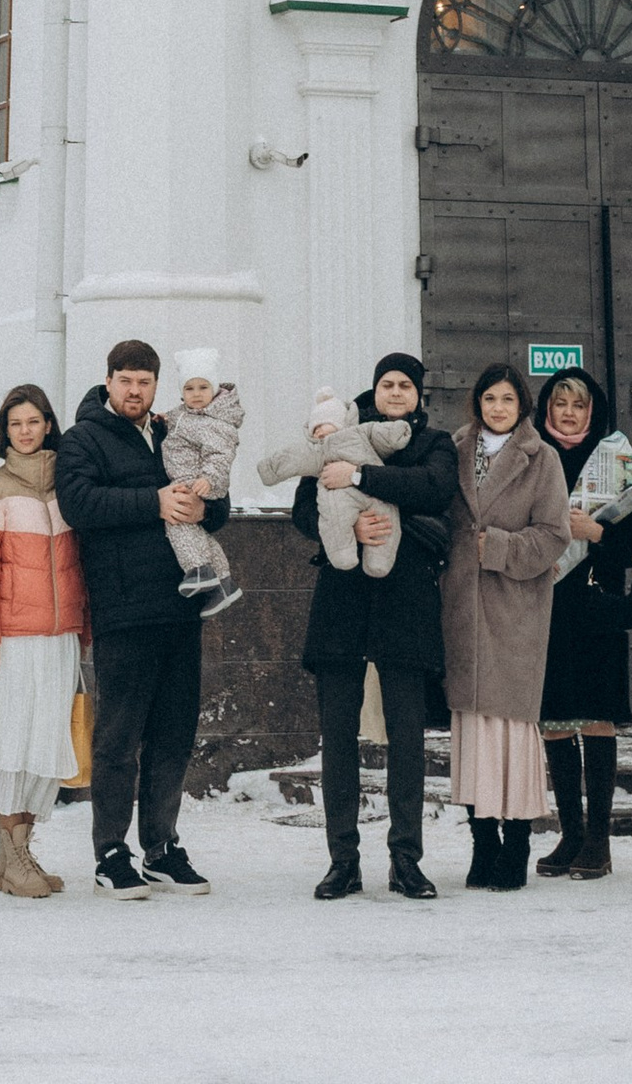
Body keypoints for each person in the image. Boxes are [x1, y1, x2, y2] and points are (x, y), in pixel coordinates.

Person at [56, 338, 226, 897]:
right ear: (108, 381)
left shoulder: (175, 432)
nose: (134, 390)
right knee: (118, 738)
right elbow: (80, 503)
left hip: (181, 605)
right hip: (124, 609)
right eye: (125, 380)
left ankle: (161, 846)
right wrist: (153, 501)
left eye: (144, 381)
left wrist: (205, 506)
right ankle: (110, 851)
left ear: (157, 385)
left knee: (174, 733)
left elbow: (216, 500)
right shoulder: (82, 439)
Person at [293, 347, 457, 902]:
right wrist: (347, 527)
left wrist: (362, 477)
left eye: (404, 387)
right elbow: (302, 508)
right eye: (386, 384)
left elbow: (434, 490)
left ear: (417, 396)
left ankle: (405, 859)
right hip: (342, 602)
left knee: (406, 739)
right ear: (373, 389)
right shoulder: (339, 431)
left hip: (405, 603)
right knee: (337, 738)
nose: (394, 393)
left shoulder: (434, 444)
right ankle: (342, 860)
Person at [444, 362, 573, 888]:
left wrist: (495, 547)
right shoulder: (453, 451)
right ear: (477, 403)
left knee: (511, 732)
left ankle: (516, 843)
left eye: (507, 400)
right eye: (489, 398)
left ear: (523, 406)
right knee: (472, 730)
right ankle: (482, 844)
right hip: (461, 606)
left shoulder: (541, 459)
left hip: (515, 606)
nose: (498, 408)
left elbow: (554, 535)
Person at [0, 382, 88, 900]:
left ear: (48, 425)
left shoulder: (69, 484)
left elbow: (82, 562)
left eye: (33, 421)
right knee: (12, 743)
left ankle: (14, 856)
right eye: (15, 424)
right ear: (5, 431)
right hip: (12, 641)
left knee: (43, 743)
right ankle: (14, 859)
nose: (25, 431)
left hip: (59, 637)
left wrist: (81, 627)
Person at [531, 366, 632, 878]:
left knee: (597, 717)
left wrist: (597, 534)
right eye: (560, 403)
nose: (568, 412)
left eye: (578, 404)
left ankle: (599, 843)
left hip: (597, 604)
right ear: (546, 408)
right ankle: (571, 835)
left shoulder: (615, 459)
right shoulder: (533, 456)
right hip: (543, 606)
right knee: (555, 722)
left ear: (592, 410)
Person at [262, 386, 412, 571]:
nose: (318, 432)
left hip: (379, 506)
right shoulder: (317, 451)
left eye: (323, 425)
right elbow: (293, 462)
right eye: (314, 429)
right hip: (339, 504)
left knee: (385, 521)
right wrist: (269, 469)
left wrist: (398, 433)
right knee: (335, 517)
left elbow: (382, 435)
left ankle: (379, 563)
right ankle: (342, 554)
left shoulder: (361, 433)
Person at [159, 369, 245, 616]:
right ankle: (224, 584)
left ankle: (198, 569)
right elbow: (180, 421)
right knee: (199, 534)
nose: (196, 394)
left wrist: (209, 479)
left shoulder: (216, 423)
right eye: (189, 389)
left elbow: (220, 456)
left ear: (215, 389)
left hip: (195, 482)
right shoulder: (188, 415)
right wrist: (165, 419)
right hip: (186, 478)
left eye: (203, 387)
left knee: (176, 522)